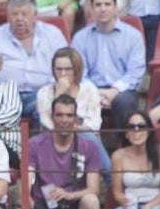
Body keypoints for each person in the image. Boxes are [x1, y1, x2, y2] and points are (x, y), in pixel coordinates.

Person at [69, 0, 145, 132]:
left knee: (124, 102)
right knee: (72, 100)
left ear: (116, 7)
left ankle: (122, 148)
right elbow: (78, 71)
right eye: (98, 5)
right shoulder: (80, 38)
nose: (102, 9)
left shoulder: (133, 36)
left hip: (123, 91)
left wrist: (113, 91)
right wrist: (94, 92)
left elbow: (135, 72)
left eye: (107, 4)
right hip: (89, 89)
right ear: (91, 8)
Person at [0, 0, 67, 120]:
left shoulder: (52, 34)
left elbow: (68, 67)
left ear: (35, 16)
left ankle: (40, 141)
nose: (19, 19)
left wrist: (52, 93)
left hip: (43, 93)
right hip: (5, 96)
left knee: (45, 109)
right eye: (14, 14)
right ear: (7, 17)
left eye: (24, 14)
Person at [35, 46, 110, 177]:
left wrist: (73, 128)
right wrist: (59, 94)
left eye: (68, 69)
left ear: (76, 70)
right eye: (59, 69)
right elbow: (49, 124)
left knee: (89, 136)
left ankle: (110, 179)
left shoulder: (89, 89)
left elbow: (94, 123)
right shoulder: (44, 93)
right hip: (54, 140)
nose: (63, 74)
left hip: (85, 139)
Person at [27, 93, 101, 209]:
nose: (64, 120)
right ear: (52, 117)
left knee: (91, 200)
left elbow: (93, 189)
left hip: (74, 202)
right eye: (59, 115)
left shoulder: (89, 146)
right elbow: (27, 179)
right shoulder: (35, 143)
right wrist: (27, 199)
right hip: (43, 203)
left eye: (69, 115)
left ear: (76, 118)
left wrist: (68, 195)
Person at [110, 111, 160, 209]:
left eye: (141, 126)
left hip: (159, 204)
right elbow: (117, 193)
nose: (136, 130)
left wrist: (149, 206)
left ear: (149, 131)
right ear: (126, 133)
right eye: (131, 127)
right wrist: (128, 203)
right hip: (131, 205)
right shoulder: (118, 156)